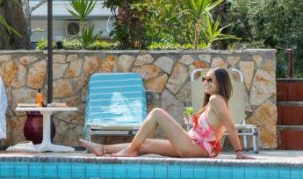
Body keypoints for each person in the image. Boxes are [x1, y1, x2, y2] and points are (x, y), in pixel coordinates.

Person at [79, 67, 252, 159]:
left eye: (210, 80)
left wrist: (238, 151)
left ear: (220, 83)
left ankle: (130, 150)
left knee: (157, 113)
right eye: (204, 79)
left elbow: (230, 126)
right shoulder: (212, 102)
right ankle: (102, 149)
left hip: (197, 147)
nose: (205, 82)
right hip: (192, 143)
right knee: (145, 144)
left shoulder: (216, 99)